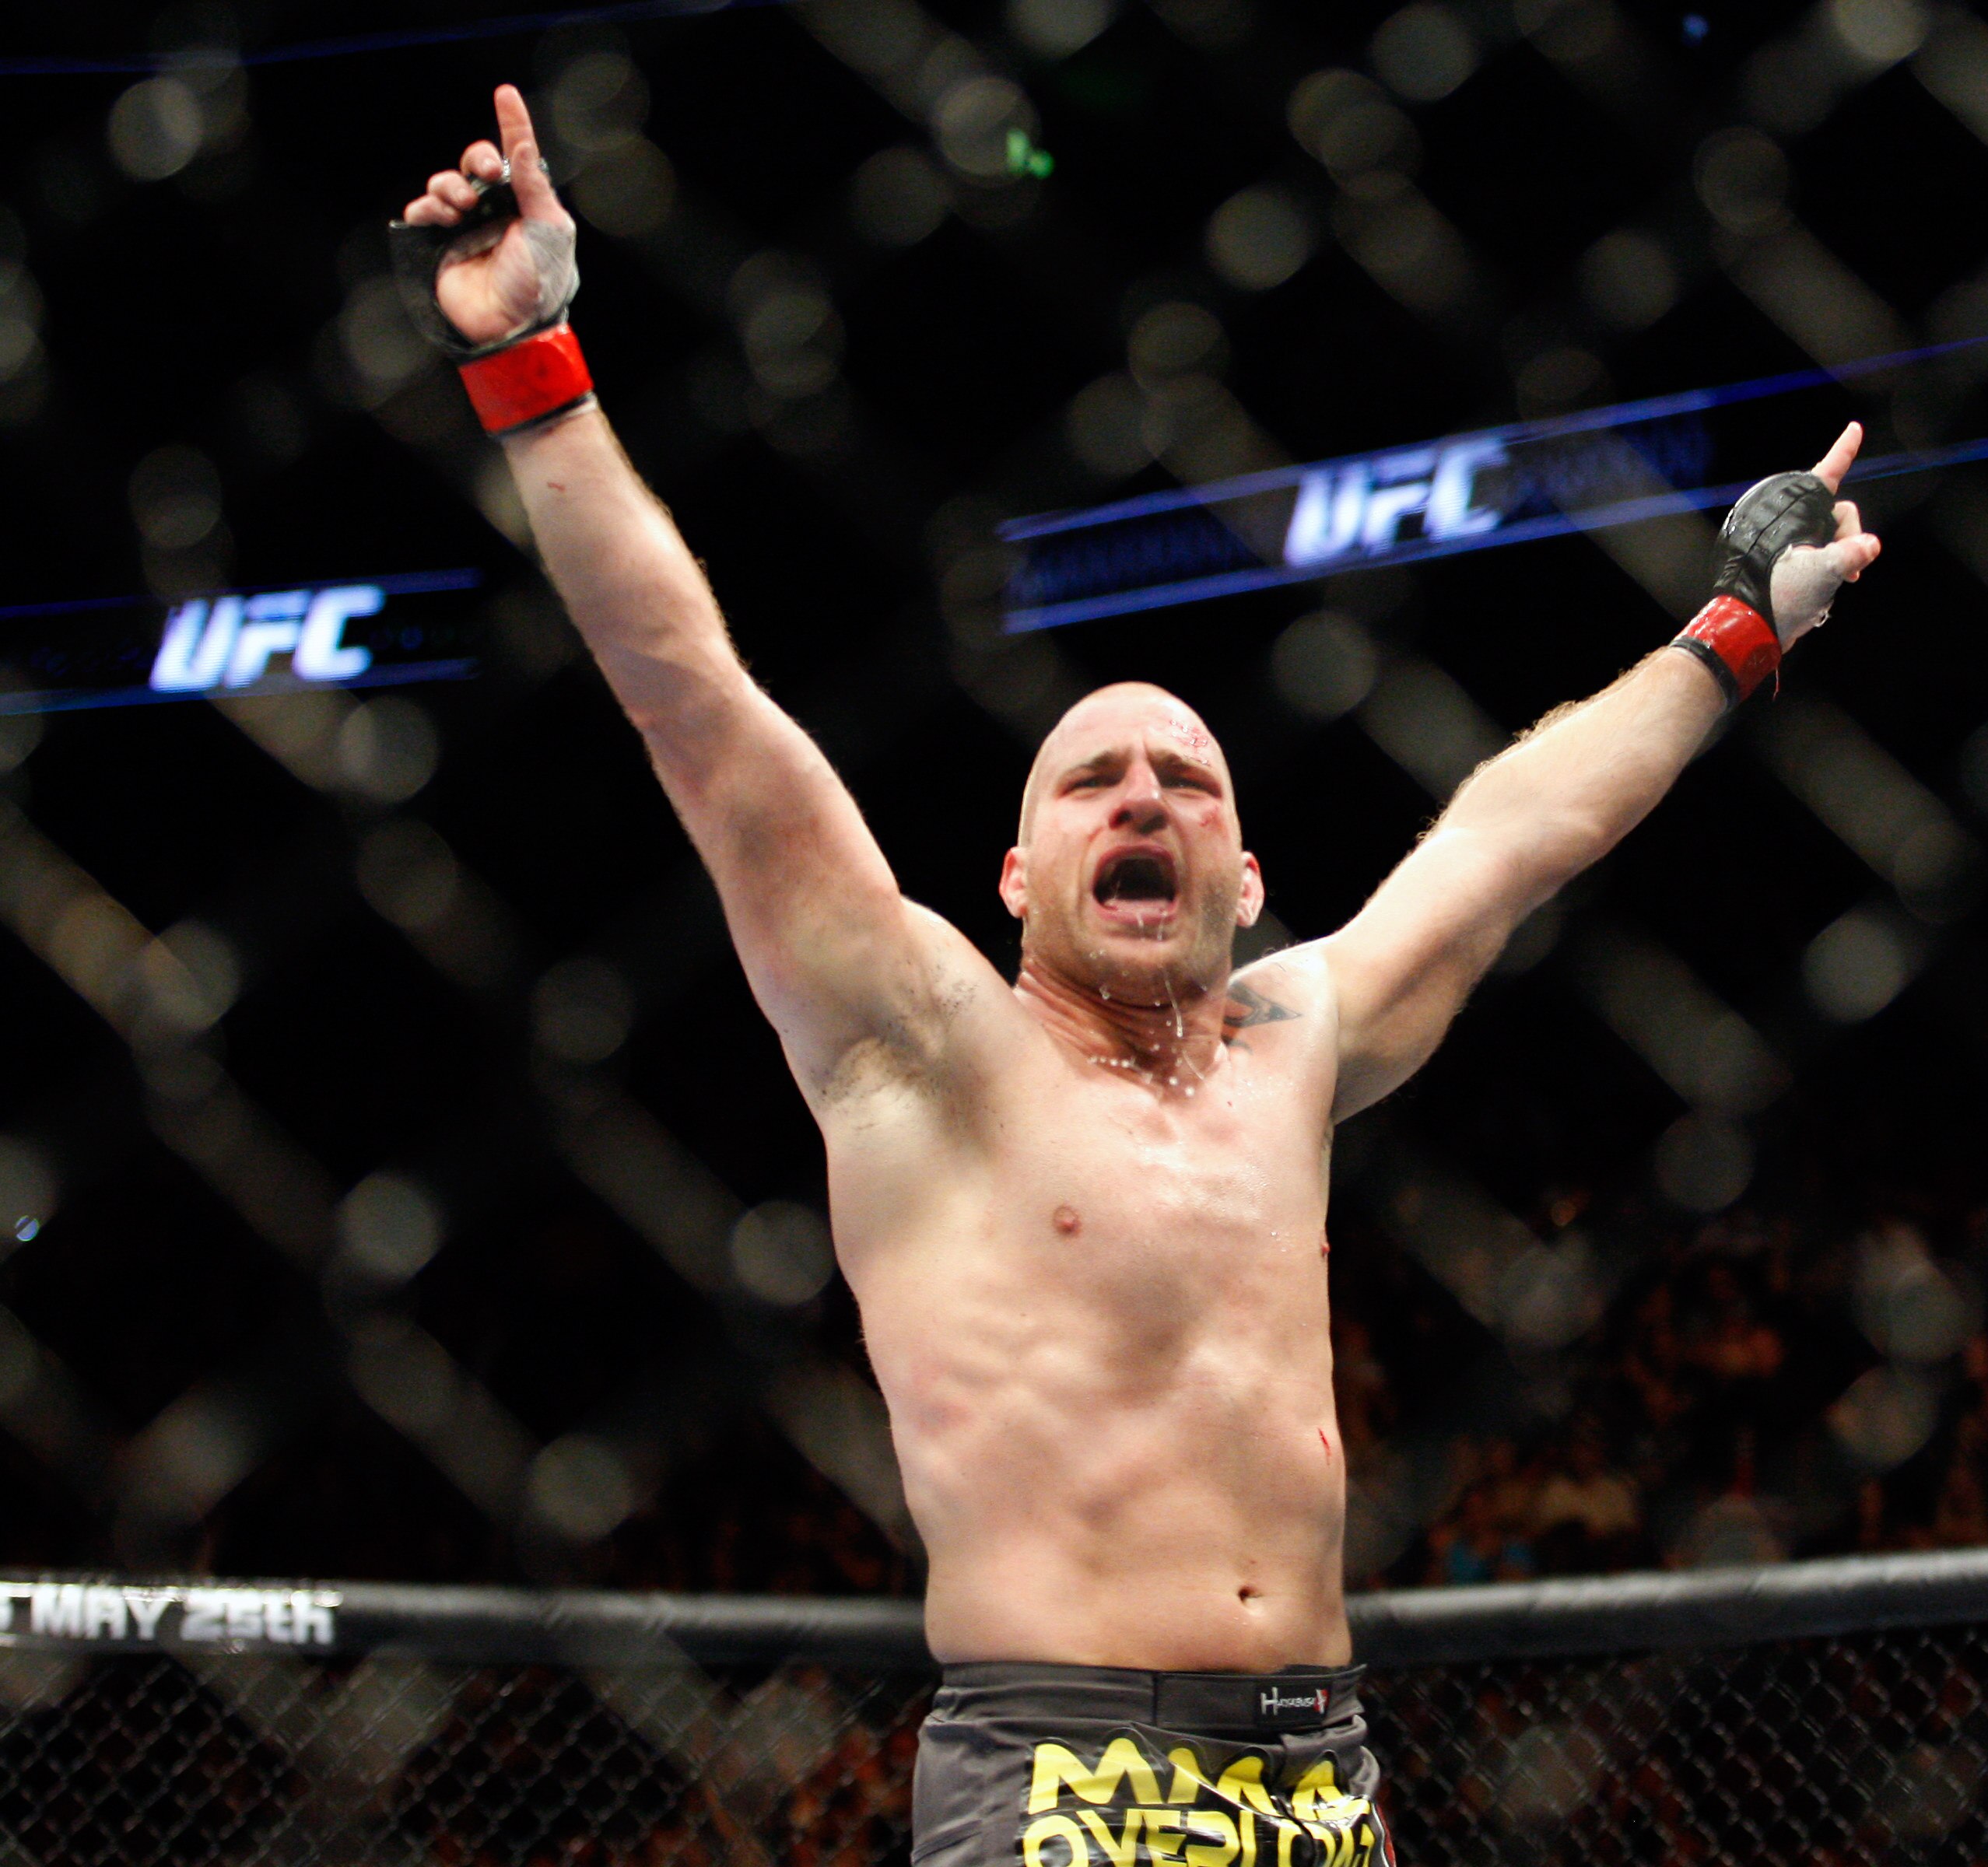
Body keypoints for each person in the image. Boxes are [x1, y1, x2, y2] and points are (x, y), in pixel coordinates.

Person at [394, 86, 1883, 1867]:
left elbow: (1513, 830)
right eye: (1093, 776)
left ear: (1245, 882)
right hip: (1060, 1771)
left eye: (1188, 780)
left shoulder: (1294, 1040)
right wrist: (534, 365)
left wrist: (1730, 626)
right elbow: (694, 702)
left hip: (1320, 1773)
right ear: (1016, 876)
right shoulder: (926, 1046)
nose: (1146, 796)